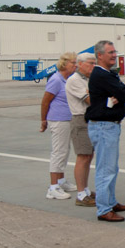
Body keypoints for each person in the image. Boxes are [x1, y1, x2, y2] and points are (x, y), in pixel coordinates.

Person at [86, 40, 125, 222]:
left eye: (115, 52)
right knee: (106, 169)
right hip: (104, 126)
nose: (114, 55)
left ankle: (110, 201)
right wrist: (122, 94)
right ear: (99, 55)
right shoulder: (102, 75)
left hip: (109, 126)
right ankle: (104, 209)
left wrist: (122, 93)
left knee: (111, 167)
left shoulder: (108, 74)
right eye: (110, 53)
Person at [40, 52, 77, 200]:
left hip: (68, 119)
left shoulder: (67, 79)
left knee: (65, 150)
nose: (75, 65)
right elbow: (45, 101)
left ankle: (61, 181)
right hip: (58, 120)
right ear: (64, 63)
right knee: (58, 151)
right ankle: (53, 187)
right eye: (73, 63)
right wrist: (43, 120)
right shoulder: (56, 80)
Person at [65, 52, 97, 206]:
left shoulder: (88, 80)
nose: (93, 66)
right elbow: (92, 99)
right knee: (83, 156)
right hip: (80, 119)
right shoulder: (74, 80)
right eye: (90, 63)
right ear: (80, 64)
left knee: (88, 156)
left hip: (90, 119)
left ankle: (85, 189)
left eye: (94, 63)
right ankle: (81, 194)